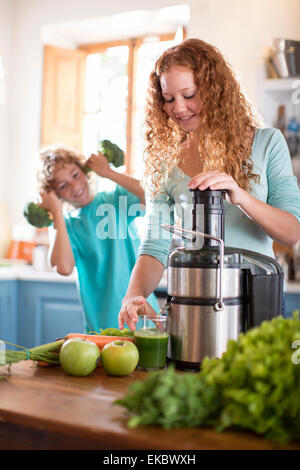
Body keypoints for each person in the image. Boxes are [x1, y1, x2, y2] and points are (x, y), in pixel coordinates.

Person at [118, 38, 300, 330]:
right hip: (194, 296)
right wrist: (134, 294)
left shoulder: (267, 143)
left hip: (258, 293)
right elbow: (154, 245)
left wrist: (240, 196)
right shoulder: (166, 162)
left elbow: (291, 232)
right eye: (168, 98)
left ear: (215, 89)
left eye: (189, 94)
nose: (178, 108)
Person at [37, 144, 159, 333]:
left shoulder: (114, 200)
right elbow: (63, 267)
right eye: (62, 185)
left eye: (75, 175)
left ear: (85, 172)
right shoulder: (64, 226)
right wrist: (56, 212)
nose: (75, 186)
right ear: (55, 194)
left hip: (143, 318)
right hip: (102, 328)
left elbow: (153, 195)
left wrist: (108, 172)